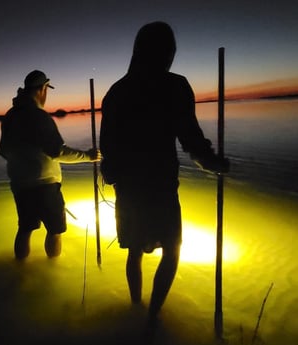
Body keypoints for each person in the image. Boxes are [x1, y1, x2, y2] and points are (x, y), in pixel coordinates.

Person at [99, 22, 229, 326]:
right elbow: (192, 140)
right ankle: (151, 315)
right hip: (160, 188)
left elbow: (108, 148)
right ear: (167, 52)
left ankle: (136, 307)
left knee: (135, 249)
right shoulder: (174, 87)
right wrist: (212, 163)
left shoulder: (116, 93)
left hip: (129, 189)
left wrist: (111, 173)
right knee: (171, 251)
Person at [0, 70, 100, 260]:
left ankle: (20, 271)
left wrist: (23, 164)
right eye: (46, 89)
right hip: (45, 185)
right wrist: (88, 156)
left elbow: (4, 150)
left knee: (25, 228)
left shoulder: (10, 117)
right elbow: (57, 151)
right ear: (42, 89)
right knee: (55, 230)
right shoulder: (39, 116)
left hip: (19, 184)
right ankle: (53, 269)